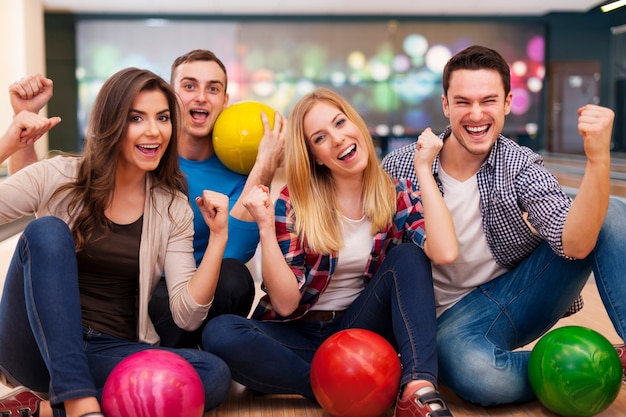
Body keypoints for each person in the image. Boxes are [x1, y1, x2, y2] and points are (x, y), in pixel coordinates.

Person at [382, 44, 626, 406]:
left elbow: (574, 245)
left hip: (508, 297)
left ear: (508, 103)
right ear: (446, 105)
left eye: (489, 100)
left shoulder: (520, 165)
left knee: (611, 212)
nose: (476, 114)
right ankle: (583, 368)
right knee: (480, 375)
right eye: (463, 101)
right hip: (437, 324)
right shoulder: (401, 167)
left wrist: (598, 159)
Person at [202, 87, 458, 417]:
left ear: (356, 123)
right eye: (320, 138)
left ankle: (418, 388)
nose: (337, 139)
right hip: (298, 334)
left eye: (340, 123)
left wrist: (424, 168)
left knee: (409, 257)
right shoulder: (294, 202)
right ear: (315, 157)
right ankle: (338, 387)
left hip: (359, 330)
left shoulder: (397, 193)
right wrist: (265, 226)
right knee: (220, 332)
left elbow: (445, 251)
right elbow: (284, 304)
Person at [0, 68, 233, 417]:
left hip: (105, 349)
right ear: (110, 123)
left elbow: (186, 317)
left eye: (163, 118)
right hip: (35, 347)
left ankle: (43, 409)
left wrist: (218, 237)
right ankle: (79, 405)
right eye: (136, 118)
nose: (154, 131)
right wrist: (8, 144)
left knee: (211, 374)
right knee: (46, 231)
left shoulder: (171, 206)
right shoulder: (57, 175)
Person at [149, 49, 287, 347]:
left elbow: (234, 252)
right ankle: (193, 360)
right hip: (153, 296)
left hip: (207, 296)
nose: (201, 97)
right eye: (189, 86)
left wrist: (264, 165)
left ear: (224, 102)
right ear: (171, 94)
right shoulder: (150, 156)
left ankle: (194, 356)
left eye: (213, 88)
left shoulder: (242, 176)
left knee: (236, 277)